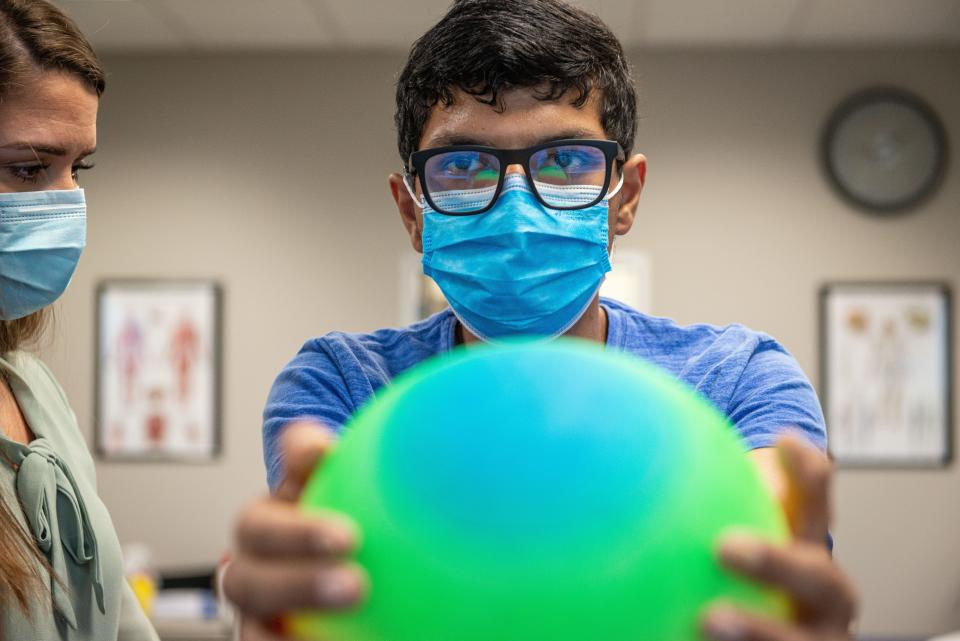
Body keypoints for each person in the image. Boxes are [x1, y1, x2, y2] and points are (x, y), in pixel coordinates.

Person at [223, 1, 858, 639]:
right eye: (464, 166)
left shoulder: (736, 379)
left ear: (625, 197)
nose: (519, 206)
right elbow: (337, 589)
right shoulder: (344, 383)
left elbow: (760, 545)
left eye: (566, 162)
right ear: (413, 211)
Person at [0, 1, 158, 639]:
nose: (65, 200)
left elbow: (117, 615)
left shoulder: (33, 389)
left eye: (77, 168)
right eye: (29, 168)